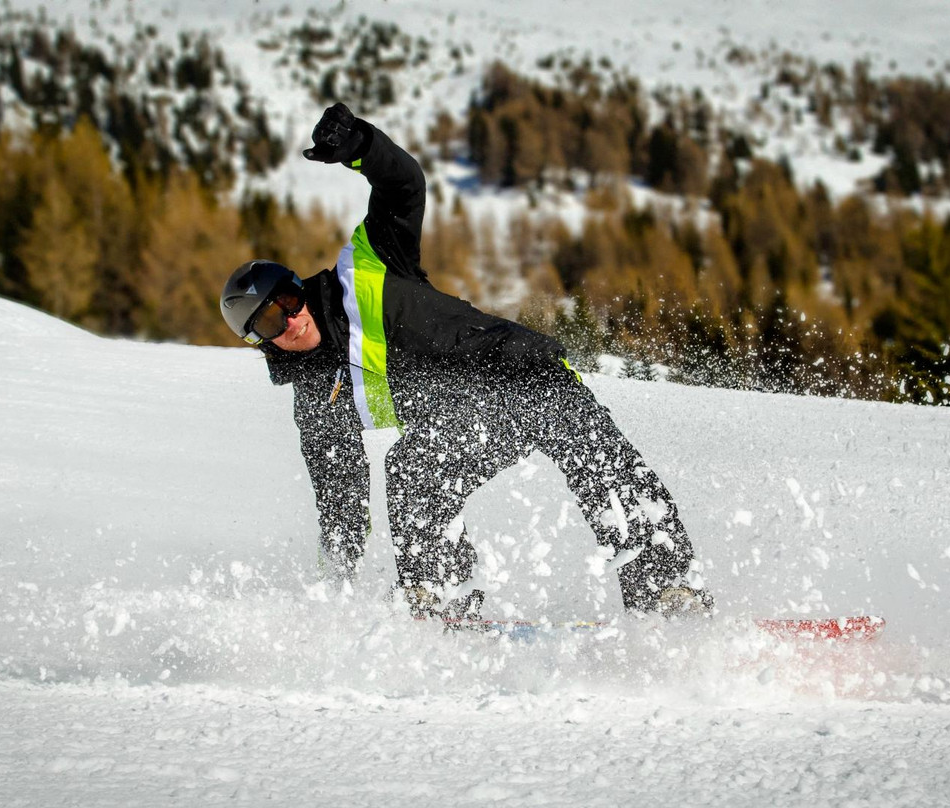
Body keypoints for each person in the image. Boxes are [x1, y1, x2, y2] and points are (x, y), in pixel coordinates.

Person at [220, 103, 712, 620]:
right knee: (411, 470)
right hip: (466, 419)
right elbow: (341, 505)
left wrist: (362, 147)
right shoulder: (319, 401)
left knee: (589, 451)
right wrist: (324, 603)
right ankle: (444, 606)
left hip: (522, 372)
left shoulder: (364, 267)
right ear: (263, 343)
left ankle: (667, 591)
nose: (291, 320)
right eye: (272, 323)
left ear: (300, 289)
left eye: (288, 302)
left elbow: (404, 186)